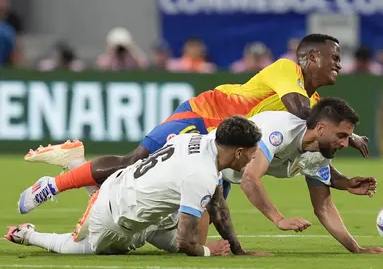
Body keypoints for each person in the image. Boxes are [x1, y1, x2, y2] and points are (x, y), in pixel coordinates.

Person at [20, 34, 368, 243]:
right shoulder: (287, 71)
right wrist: (347, 137)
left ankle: (79, 166)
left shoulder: (318, 108)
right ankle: (53, 185)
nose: (339, 63)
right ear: (310, 58)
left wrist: (341, 179)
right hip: (203, 116)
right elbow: (297, 108)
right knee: (132, 163)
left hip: (226, 145)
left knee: (196, 204)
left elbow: (314, 160)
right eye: (334, 57)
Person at [11, 116, 267, 256]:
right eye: (253, 152)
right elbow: (186, 243)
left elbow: (219, 207)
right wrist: (206, 250)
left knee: (175, 229)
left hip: (126, 189)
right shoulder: (201, 175)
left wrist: (238, 250)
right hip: (116, 219)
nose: (255, 157)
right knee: (84, 249)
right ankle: (27, 235)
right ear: (238, 152)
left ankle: (76, 163)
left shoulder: (200, 139)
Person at [216, 98, 382, 254]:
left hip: (222, 178)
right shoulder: (280, 130)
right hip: (206, 165)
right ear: (320, 128)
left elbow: (324, 208)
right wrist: (279, 220)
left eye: (348, 137)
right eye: (341, 136)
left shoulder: (320, 154)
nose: (346, 144)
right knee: (194, 243)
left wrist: (357, 249)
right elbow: (249, 179)